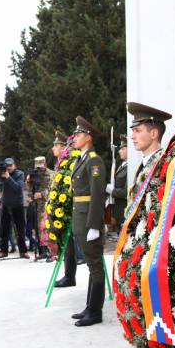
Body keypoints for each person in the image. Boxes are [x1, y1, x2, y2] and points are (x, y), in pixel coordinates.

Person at [121, 102, 175, 348]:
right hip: (139, 248)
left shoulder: (163, 163)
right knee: (141, 310)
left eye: (138, 130)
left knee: (156, 309)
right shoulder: (146, 162)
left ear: (154, 132)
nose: (133, 136)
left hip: (154, 250)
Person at [69, 116, 106, 327]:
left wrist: (93, 224)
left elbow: (97, 194)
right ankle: (90, 307)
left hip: (87, 219)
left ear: (88, 138)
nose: (74, 137)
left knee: (94, 264)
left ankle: (95, 311)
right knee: (92, 265)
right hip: (80, 216)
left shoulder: (94, 161)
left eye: (78, 134)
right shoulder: (82, 159)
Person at [51, 130, 80, 287]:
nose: (53, 148)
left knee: (69, 244)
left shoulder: (70, 161)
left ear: (63, 147)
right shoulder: (61, 163)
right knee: (65, 244)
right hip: (61, 207)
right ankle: (68, 275)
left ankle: (70, 276)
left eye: (56, 145)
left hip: (68, 209)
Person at [0, 157, 29, 259]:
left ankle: (23, 252)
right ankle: (3, 251)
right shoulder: (1, 173)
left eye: (11, 165)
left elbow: (18, 188)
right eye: (7, 166)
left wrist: (8, 177)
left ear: (14, 165)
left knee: (20, 230)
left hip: (17, 205)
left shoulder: (20, 174)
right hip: (5, 205)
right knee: (4, 230)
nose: (9, 167)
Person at [25, 156, 53, 259]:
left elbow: (54, 188)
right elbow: (28, 190)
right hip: (37, 207)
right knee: (39, 229)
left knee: (48, 228)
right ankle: (43, 251)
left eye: (41, 167)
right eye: (38, 167)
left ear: (45, 164)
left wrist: (42, 194)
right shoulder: (33, 175)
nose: (39, 169)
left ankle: (52, 252)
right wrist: (28, 181)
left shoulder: (51, 174)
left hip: (49, 205)